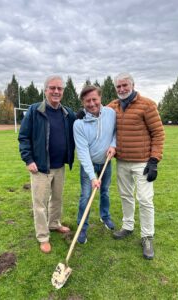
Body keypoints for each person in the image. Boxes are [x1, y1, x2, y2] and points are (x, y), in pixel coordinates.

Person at [107, 72, 165, 259]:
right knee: (125, 195)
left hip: (143, 163)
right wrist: (83, 113)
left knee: (145, 200)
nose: (122, 89)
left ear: (132, 85)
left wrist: (154, 160)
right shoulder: (113, 106)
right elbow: (97, 112)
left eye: (125, 85)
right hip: (122, 161)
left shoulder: (147, 105)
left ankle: (147, 236)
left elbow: (158, 133)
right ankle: (128, 226)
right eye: (118, 87)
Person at [18, 75, 75, 254]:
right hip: (40, 167)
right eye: (52, 88)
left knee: (57, 199)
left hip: (59, 166)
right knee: (40, 204)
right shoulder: (35, 111)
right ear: (46, 91)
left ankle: (54, 224)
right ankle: (43, 236)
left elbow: (80, 125)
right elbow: (24, 137)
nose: (56, 91)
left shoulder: (68, 114)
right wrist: (28, 159)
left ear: (63, 92)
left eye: (59, 88)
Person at [74, 85, 116, 244]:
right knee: (85, 196)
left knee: (105, 191)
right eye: (87, 101)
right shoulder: (78, 124)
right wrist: (92, 177)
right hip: (88, 165)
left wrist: (113, 145)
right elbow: (82, 152)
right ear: (83, 102)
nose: (91, 104)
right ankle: (81, 228)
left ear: (100, 99)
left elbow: (115, 132)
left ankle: (105, 217)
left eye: (94, 99)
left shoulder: (111, 114)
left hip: (106, 162)